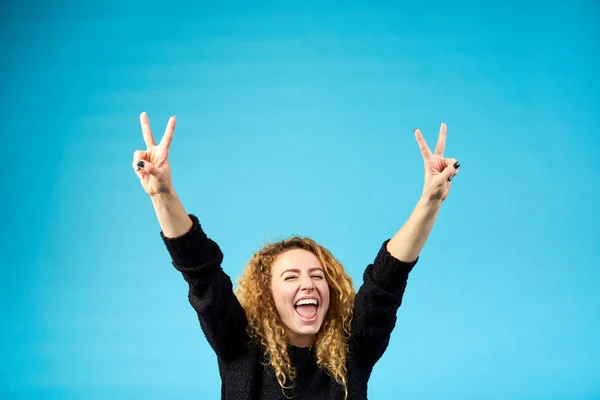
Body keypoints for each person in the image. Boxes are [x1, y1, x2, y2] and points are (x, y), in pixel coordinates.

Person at [132, 112, 460, 400]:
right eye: (291, 276)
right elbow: (201, 271)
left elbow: (387, 281)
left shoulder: (354, 349)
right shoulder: (238, 345)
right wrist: (163, 194)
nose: (308, 284)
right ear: (266, 294)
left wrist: (429, 202)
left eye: (317, 276)